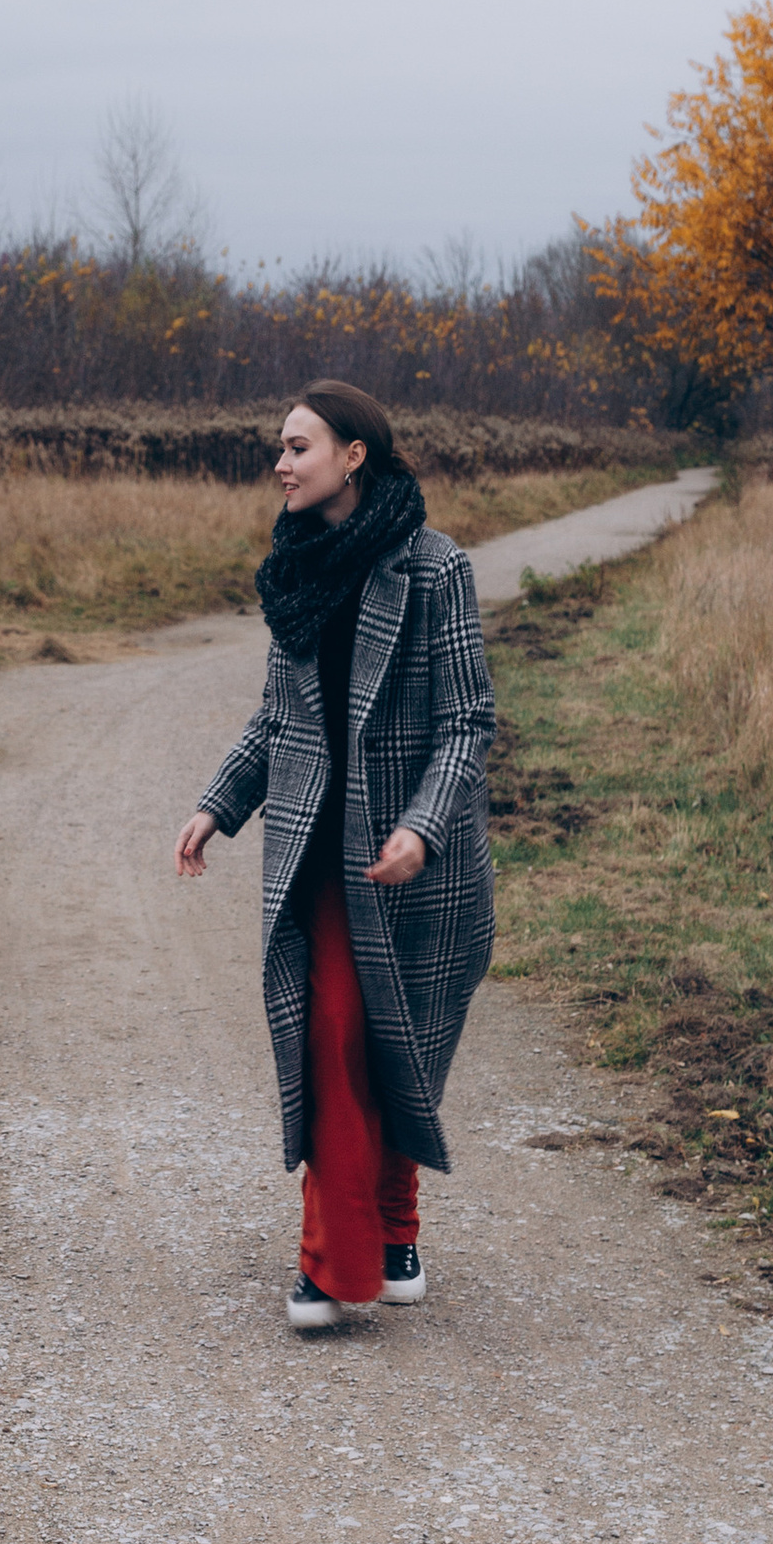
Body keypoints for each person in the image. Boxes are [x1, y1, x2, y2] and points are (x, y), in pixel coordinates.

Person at [174, 382, 496, 1331]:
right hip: (319, 856)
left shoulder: (437, 570)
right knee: (332, 1040)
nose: (281, 462)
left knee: (395, 1041)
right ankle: (336, 1262)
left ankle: (395, 1226)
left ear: (355, 455)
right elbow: (281, 718)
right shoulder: (296, 568)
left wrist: (424, 827)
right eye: (280, 446)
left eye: (299, 446)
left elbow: (468, 720)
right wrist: (218, 803)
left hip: (413, 866)